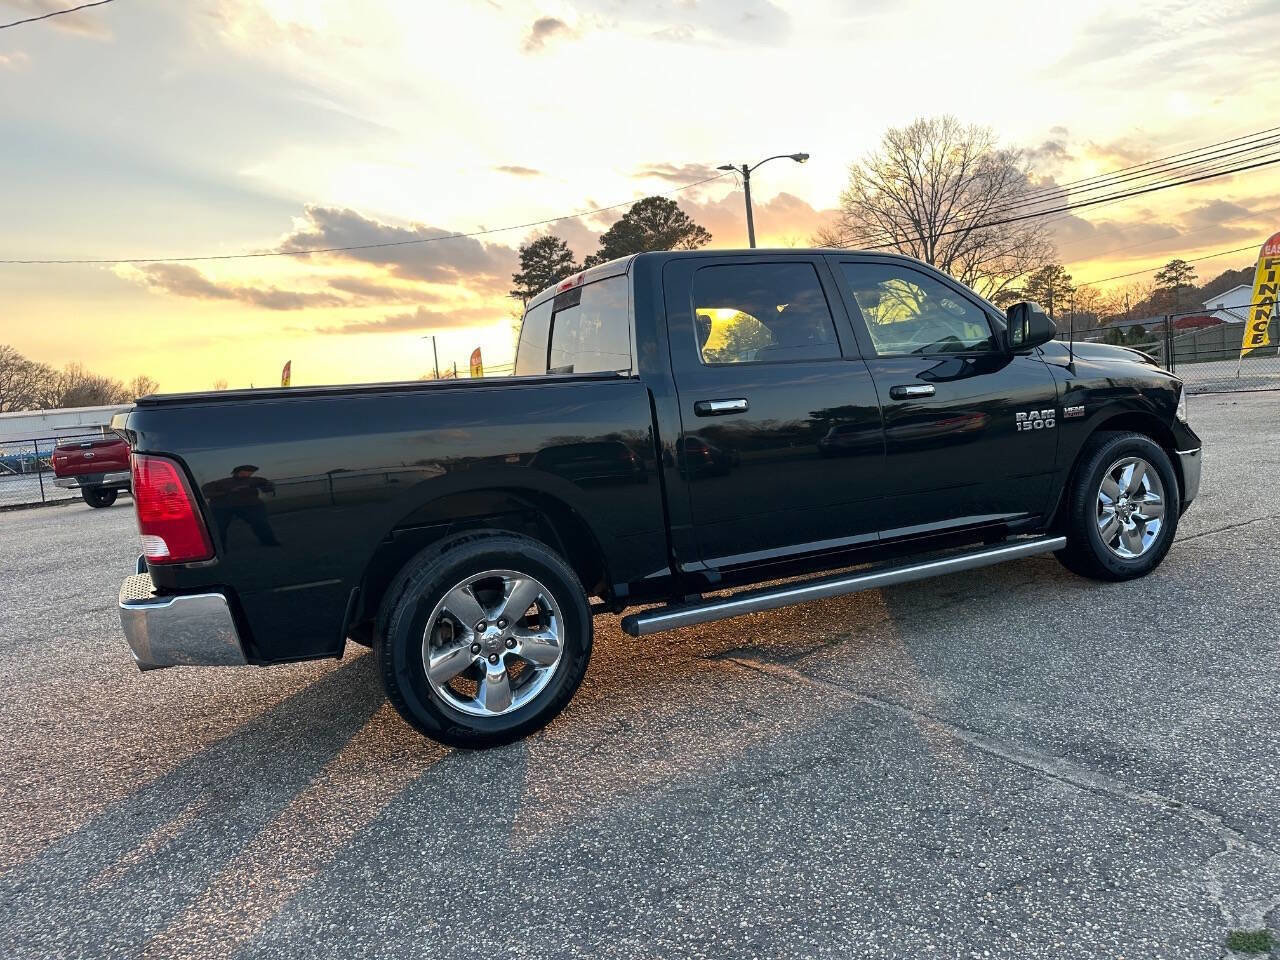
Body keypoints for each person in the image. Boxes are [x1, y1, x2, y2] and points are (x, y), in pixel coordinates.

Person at [201, 465, 280, 547]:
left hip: (250, 506)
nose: (249, 473)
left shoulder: (257, 480)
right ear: (237, 472)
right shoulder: (220, 483)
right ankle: (218, 547)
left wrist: (269, 486)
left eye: (251, 472)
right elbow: (205, 494)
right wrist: (229, 492)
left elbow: (268, 489)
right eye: (246, 471)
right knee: (219, 527)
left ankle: (269, 542)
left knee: (260, 522)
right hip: (223, 507)